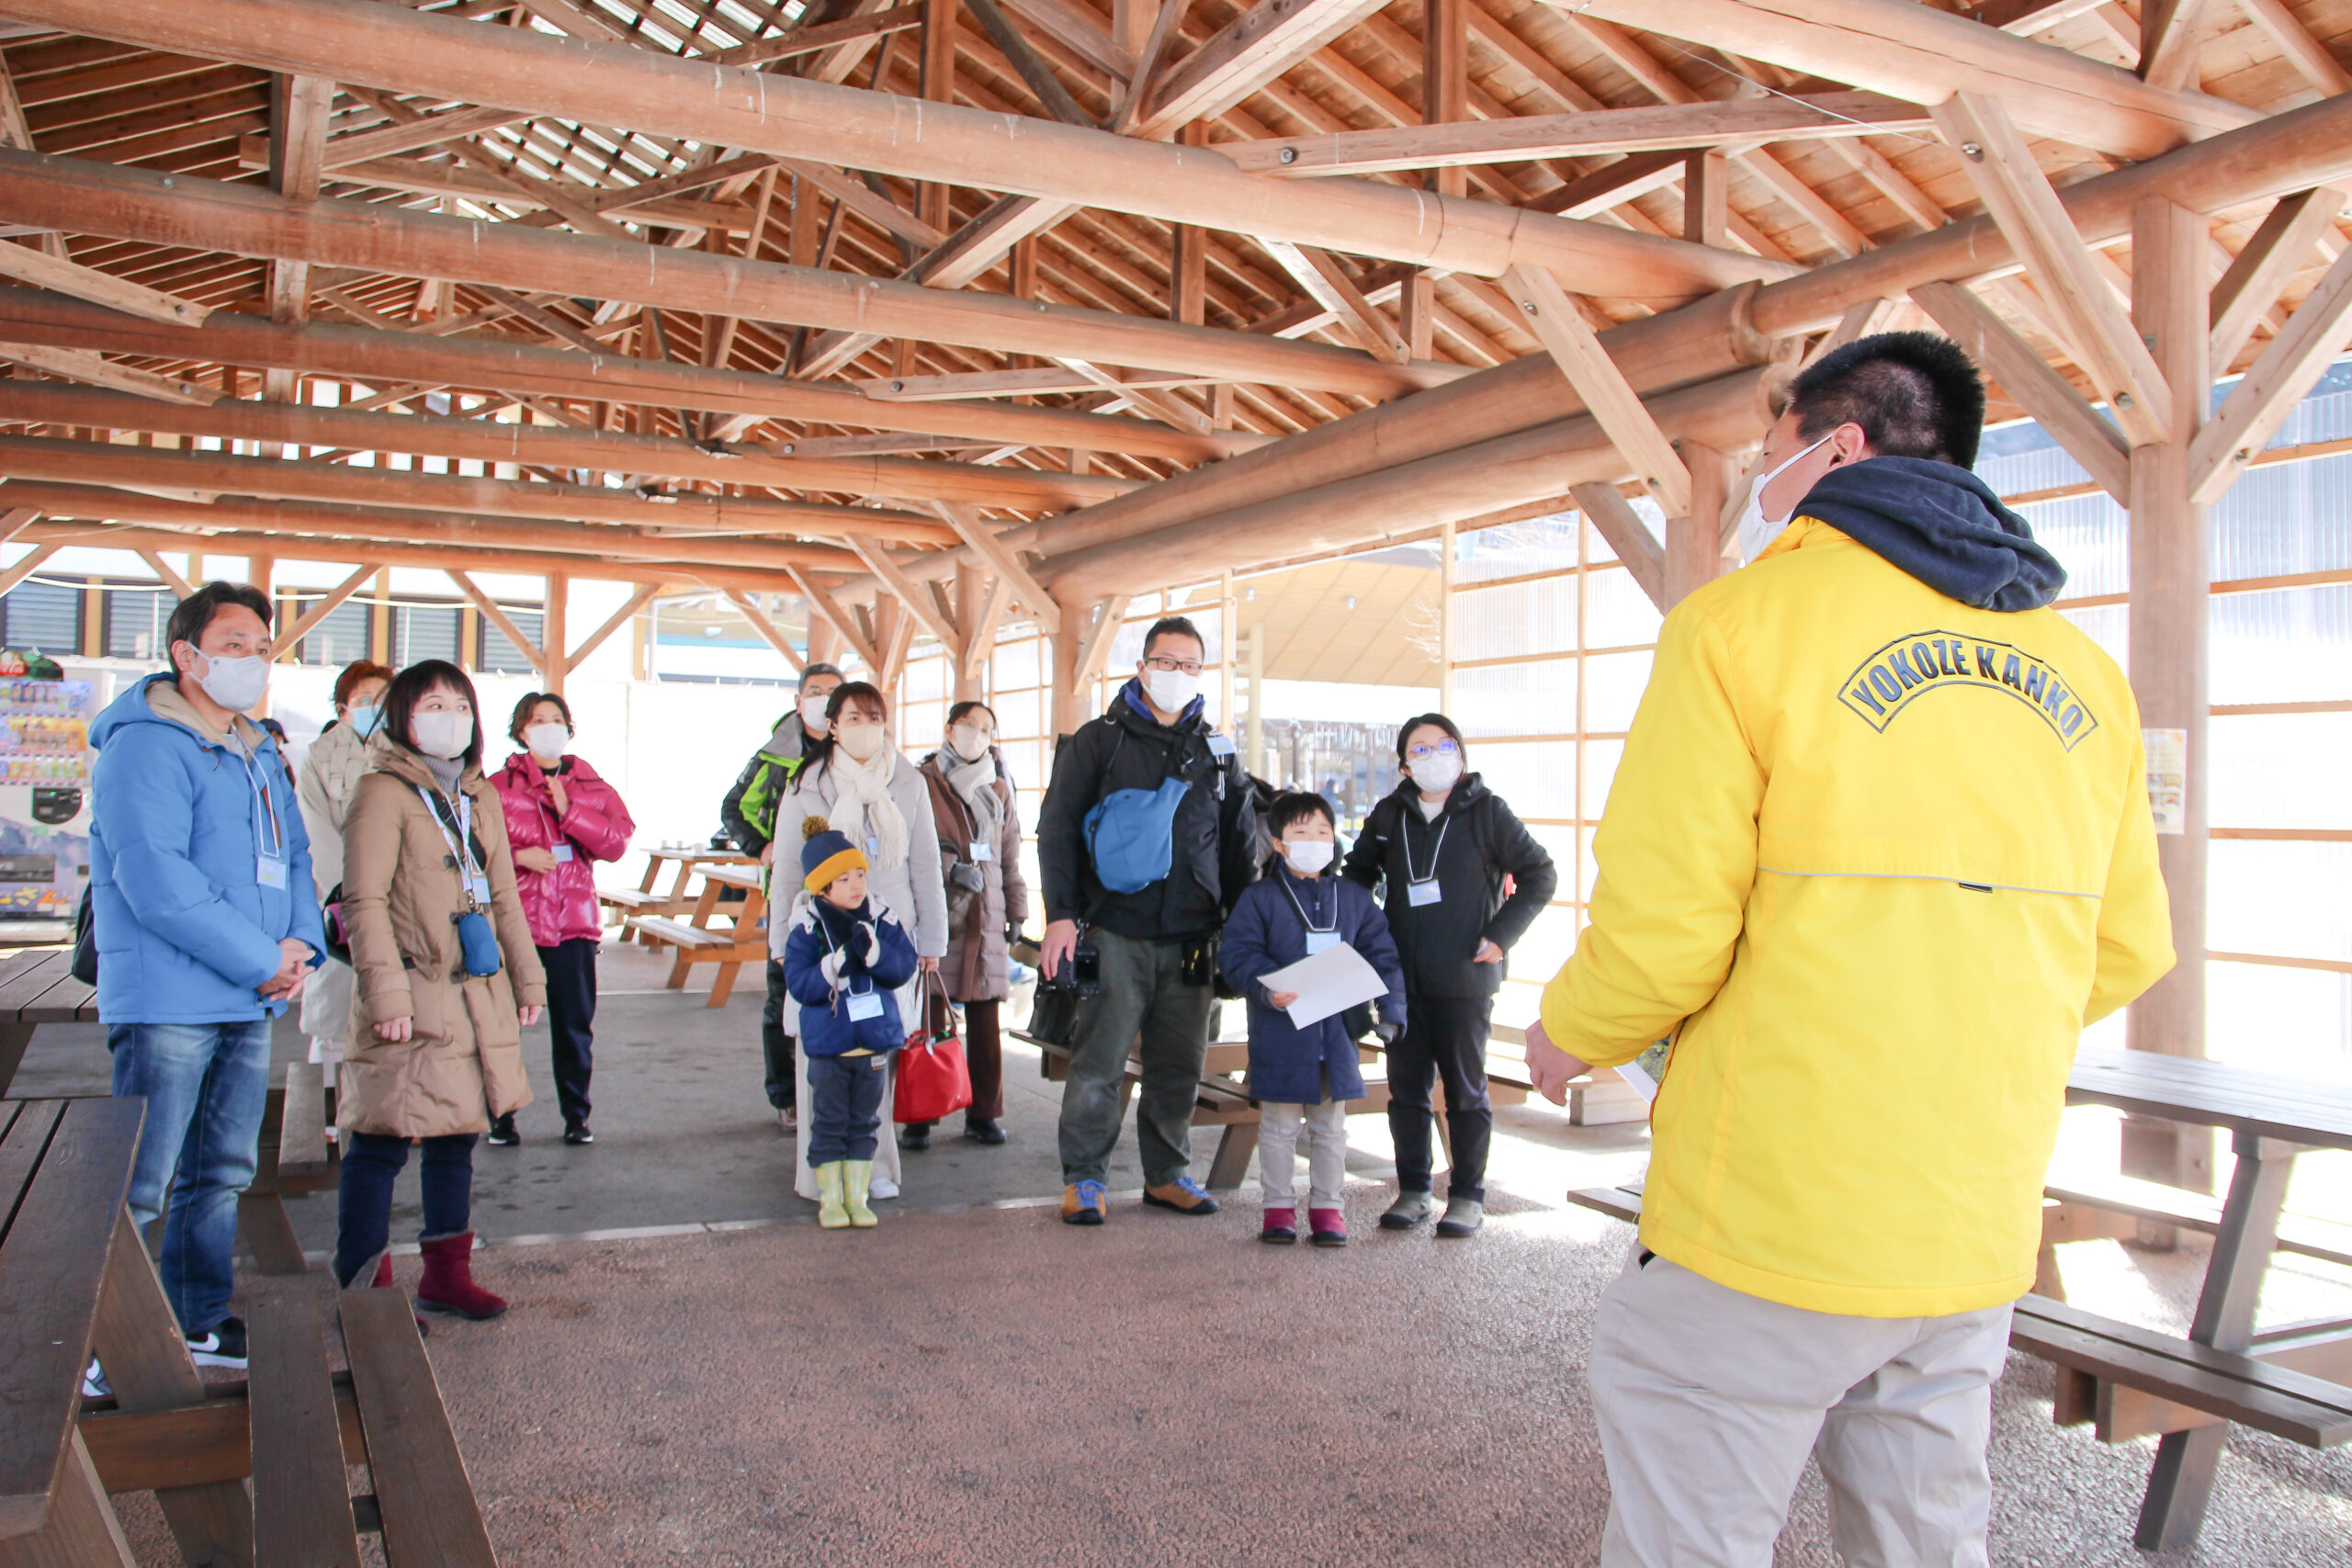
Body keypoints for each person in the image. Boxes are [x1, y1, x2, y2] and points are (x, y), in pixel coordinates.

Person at [1523, 333, 2174, 1568]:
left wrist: (1572, 1032)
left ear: (1841, 446)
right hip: (1971, 1221)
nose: (1766, 474)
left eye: (1775, 450)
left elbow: (1666, 932)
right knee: (1926, 1535)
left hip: (1770, 1211)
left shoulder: (1739, 628)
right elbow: (2126, 945)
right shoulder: (2086, 674)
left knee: (1690, 1536)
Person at [86, 580, 325, 1375]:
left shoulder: (257, 749)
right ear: (187, 654)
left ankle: (197, 1317)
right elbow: (157, 881)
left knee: (221, 1170)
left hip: (249, 996)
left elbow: (295, 857)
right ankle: (100, 1345)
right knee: (142, 1179)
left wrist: (300, 945)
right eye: (234, 646)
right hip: (170, 999)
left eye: (261, 648)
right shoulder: (146, 743)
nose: (252, 661)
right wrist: (266, 959)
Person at [334, 660, 548, 1319]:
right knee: (380, 1139)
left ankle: (446, 1275)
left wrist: (527, 974)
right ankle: (364, 1290)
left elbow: (505, 897)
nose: (449, 716)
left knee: (458, 1134)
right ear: (403, 714)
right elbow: (362, 901)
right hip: (411, 989)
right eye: (433, 703)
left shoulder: (478, 795)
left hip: (474, 993)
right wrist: (386, 993)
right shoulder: (382, 791)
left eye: (460, 705)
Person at [1036, 615, 1259, 1225]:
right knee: (1098, 1062)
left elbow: (1243, 845)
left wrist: (1241, 931)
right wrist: (1061, 915)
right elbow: (1056, 829)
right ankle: (1084, 1178)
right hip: (1116, 931)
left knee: (1179, 1065)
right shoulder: (1099, 741)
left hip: (1192, 939)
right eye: (1166, 662)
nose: (1177, 674)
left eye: (1190, 664)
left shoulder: (1218, 751)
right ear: (1142, 666)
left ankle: (1167, 1174)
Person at [1341, 714, 1555, 1239]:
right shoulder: (1390, 814)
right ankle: (1412, 1190)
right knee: (1406, 1091)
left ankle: (1466, 1195)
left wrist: (1501, 935)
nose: (1434, 755)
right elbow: (1358, 874)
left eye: (1443, 745)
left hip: (1466, 977)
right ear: (1404, 764)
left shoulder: (1487, 812)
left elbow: (1540, 874)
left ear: (1460, 753)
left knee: (1465, 1091)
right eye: (1420, 749)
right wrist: (1363, 931)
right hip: (1401, 982)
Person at [768, 682, 946, 1204]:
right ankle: (817, 1174)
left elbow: (926, 865)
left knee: (879, 1058)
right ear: (832, 725)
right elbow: (784, 869)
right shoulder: (805, 785)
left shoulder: (909, 781)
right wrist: (782, 942)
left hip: (889, 941)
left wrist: (931, 940)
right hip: (821, 938)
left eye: (874, 717)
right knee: (819, 1061)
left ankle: (875, 1167)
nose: (865, 727)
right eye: (853, 717)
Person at [1217, 792, 1405, 1247]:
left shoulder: (1354, 898)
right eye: (1301, 833)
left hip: (1337, 1036)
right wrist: (1266, 990)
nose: (1314, 841)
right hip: (1281, 1033)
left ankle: (1328, 1212)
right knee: (1279, 1130)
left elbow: (1384, 954)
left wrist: (1392, 1009)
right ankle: (1277, 1210)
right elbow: (1236, 955)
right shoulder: (1260, 898)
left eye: (1323, 832)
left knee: (1330, 1129)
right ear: (1279, 843)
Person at [490, 692, 635, 1147]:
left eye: (556, 719)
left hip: (573, 924)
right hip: (517, 923)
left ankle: (577, 1115)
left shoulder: (594, 786)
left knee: (574, 1025)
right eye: (538, 720)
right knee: (502, 1023)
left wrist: (570, 811)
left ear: (569, 728)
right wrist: (518, 856)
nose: (548, 727)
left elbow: (615, 842)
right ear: (521, 730)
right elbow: (474, 846)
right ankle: (500, 1115)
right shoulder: (496, 787)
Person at [721, 661, 844, 1132]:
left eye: (832, 692)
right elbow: (734, 808)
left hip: (850, 893)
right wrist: (762, 846)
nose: (822, 699)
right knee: (786, 991)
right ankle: (786, 1094)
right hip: (792, 894)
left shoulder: (856, 751)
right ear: (798, 701)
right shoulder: (774, 756)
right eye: (814, 691)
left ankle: (836, 1090)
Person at [781, 818, 920, 1228]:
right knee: (828, 1122)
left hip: (873, 1044)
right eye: (844, 879)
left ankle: (858, 1199)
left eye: (859, 874)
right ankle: (831, 1199)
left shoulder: (883, 919)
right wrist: (830, 968)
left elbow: (904, 966)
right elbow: (798, 983)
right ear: (822, 888)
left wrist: (877, 956)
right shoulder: (806, 928)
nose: (857, 885)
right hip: (828, 1046)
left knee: (866, 1121)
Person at [910, 700, 1028, 1149]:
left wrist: (1017, 910)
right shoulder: (923, 781)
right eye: (969, 725)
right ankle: (922, 1112)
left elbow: (1010, 854)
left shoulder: (999, 788)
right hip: (939, 911)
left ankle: (984, 1114)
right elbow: (909, 844)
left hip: (988, 912)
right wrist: (949, 867)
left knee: (984, 1019)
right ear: (949, 728)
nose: (977, 735)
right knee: (930, 1016)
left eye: (986, 728)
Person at [297, 658, 393, 1069]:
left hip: (398, 900)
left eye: (382, 700)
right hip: (342, 903)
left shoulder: (410, 753)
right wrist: (349, 898)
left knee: (395, 1012)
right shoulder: (318, 758)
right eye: (364, 699)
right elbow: (316, 834)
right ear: (343, 708)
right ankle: (331, 1117)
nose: (374, 707)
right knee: (334, 1013)